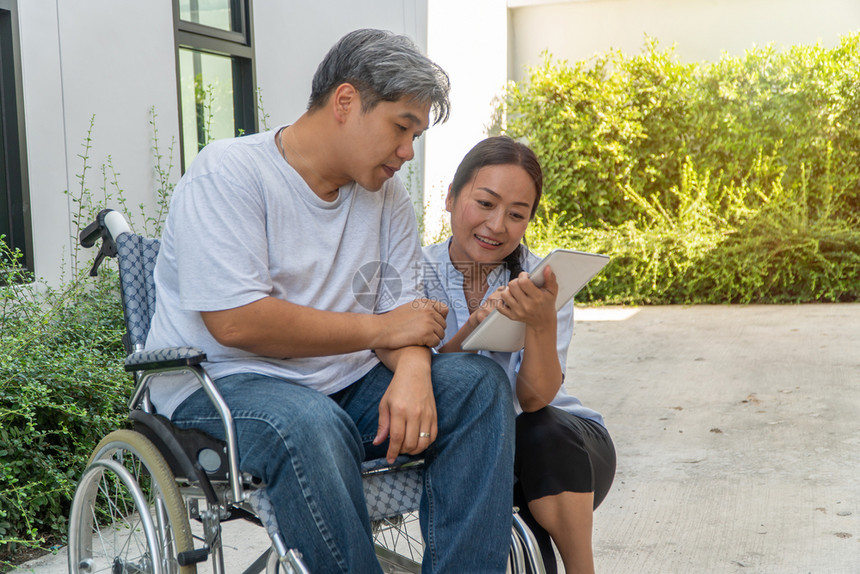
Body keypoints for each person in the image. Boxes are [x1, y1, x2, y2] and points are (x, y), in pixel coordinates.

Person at [145, 29, 515, 573]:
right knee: (312, 423)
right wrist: (380, 332)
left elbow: (407, 314)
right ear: (346, 102)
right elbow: (236, 322)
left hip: (344, 387)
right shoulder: (230, 173)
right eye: (401, 127)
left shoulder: (386, 197)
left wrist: (413, 372)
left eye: (415, 134)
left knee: (479, 386)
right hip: (219, 387)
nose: (408, 152)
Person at [422, 136, 616, 574]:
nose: (496, 226)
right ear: (450, 199)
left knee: (537, 428)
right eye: (485, 204)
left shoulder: (542, 281)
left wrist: (541, 321)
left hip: (564, 450)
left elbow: (536, 399)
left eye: (516, 214)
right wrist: (476, 326)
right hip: (477, 452)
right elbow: (427, 380)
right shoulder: (417, 272)